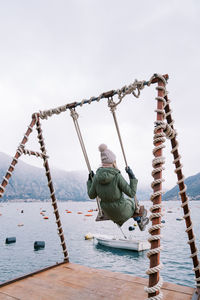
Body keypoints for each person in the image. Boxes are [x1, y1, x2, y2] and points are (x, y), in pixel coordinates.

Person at [87, 144, 149, 231]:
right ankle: (140, 221)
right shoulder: (117, 175)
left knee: (128, 202)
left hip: (108, 213)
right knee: (134, 203)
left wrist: (90, 181)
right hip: (121, 211)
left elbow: (91, 195)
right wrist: (132, 177)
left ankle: (141, 221)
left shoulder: (96, 177)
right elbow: (131, 193)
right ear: (113, 162)